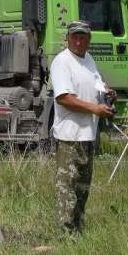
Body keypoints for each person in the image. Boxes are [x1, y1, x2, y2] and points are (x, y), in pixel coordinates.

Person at [50, 19, 116, 233]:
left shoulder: (89, 60)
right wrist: (95, 109)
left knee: (82, 190)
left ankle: (77, 232)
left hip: (88, 135)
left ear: (89, 39)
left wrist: (106, 94)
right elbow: (64, 98)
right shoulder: (62, 62)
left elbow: (96, 85)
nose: (78, 41)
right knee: (67, 190)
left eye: (82, 37)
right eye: (74, 36)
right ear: (67, 38)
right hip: (70, 136)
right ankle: (65, 235)